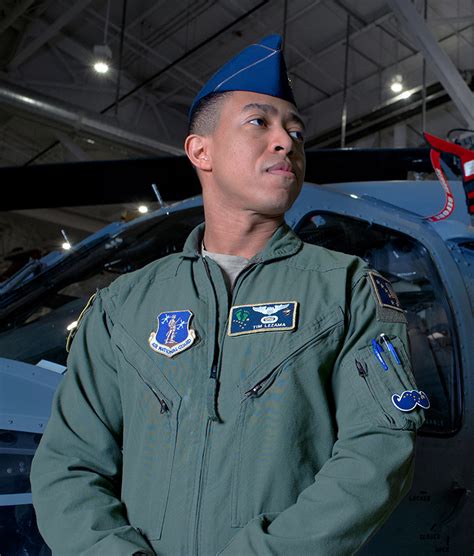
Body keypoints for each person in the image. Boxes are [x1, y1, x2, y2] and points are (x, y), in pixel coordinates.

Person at [30, 35, 428, 555]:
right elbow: (68, 463)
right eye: (259, 122)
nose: (286, 142)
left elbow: (377, 450)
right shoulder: (122, 305)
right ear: (201, 151)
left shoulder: (347, 287)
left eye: (296, 132)